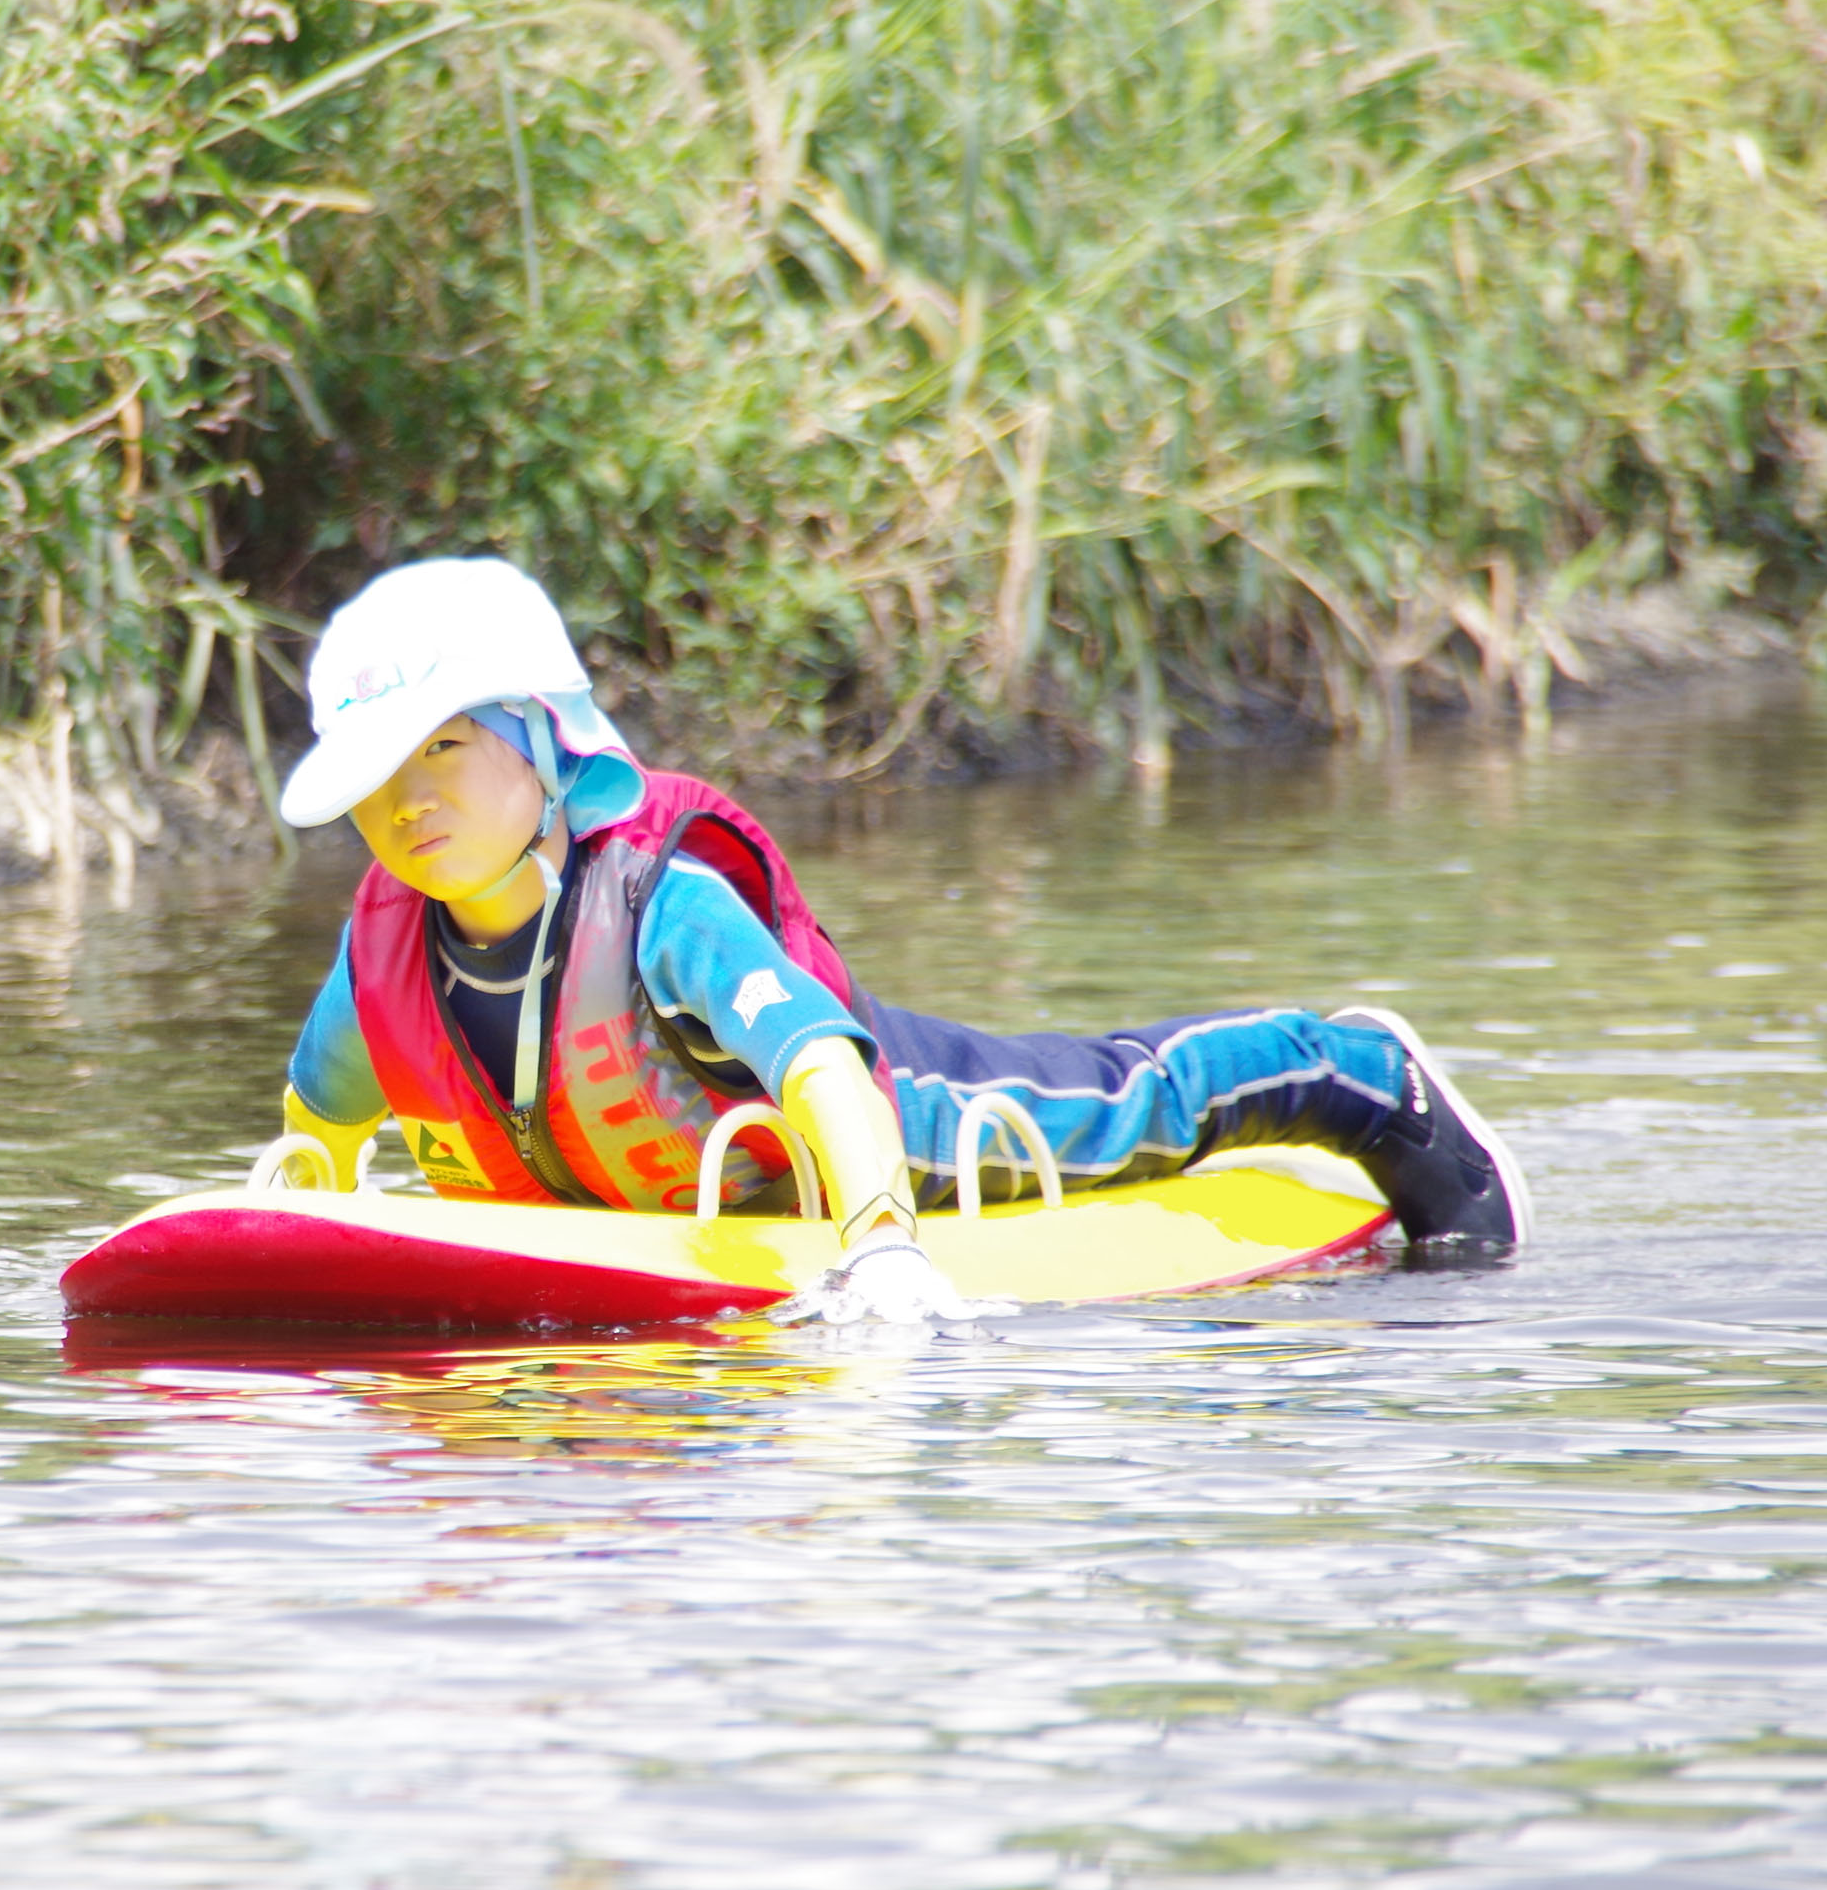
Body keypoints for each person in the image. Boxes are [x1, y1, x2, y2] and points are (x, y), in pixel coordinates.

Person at [274, 558, 1531, 1324]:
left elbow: (819, 1060)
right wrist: (297, 1226)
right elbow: (321, 1126)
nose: (408, 799)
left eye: (444, 746)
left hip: (887, 1126)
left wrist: (879, 1243)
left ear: (547, 740)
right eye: (378, 769)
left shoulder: (660, 898)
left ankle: (1359, 1074)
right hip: (665, 1193)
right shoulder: (384, 949)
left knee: (1123, 1107)